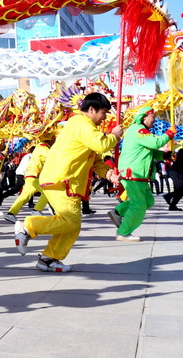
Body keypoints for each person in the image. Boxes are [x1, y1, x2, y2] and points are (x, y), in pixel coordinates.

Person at [14, 93, 122, 272]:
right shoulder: (81, 123)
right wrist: (114, 136)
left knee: (72, 224)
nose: (105, 118)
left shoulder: (87, 129)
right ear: (91, 110)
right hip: (61, 179)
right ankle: (28, 226)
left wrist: (109, 174)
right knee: (71, 222)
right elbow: (101, 145)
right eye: (104, 112)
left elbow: (95, 160)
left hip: (67, 181)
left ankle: (49, 258)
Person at [107, 108, 173, 242]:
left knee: (148, 201)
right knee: (139, 205)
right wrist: (170, 133)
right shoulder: (138, 130)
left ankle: (118, 211)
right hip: (133, 173)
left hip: (140, 174)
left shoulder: (143, 131)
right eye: (152, 118)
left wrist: (164, 155)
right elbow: (156, 143)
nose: (154, 121)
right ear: (144, 117)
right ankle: (123, 232)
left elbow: (151, 150)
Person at [4, 140, 52, 223]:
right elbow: (53, 158)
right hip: (35, 175)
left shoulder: (41, 148)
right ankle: (37, 210)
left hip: (31, 175)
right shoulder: (43, 148)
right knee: (48, 192)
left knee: (24, 196)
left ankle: (11, 213)